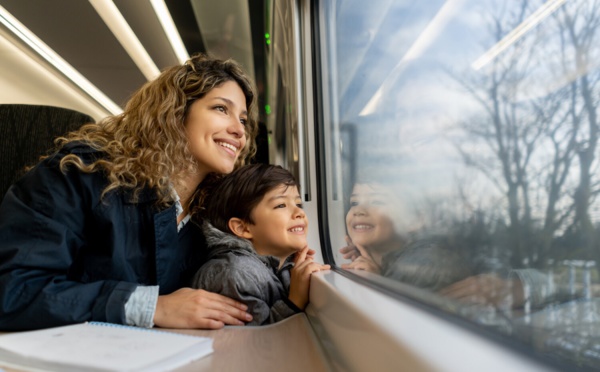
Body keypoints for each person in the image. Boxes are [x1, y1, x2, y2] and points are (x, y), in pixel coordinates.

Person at [0, 53, 258, 331]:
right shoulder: (81, 174)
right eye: (221, 109)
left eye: (243, 120)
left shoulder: (211, 216)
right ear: (174, 113)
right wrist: (153, 307)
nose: (238, 131)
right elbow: (14, 290)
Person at [192, 163, 330, 325]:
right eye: (281, 205)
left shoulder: (279, 266)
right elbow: (254, 342)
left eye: (298, 204)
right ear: (242, 228)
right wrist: (294, 301)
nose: (299, 212)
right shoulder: (235, 274)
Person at [341, 182, 470, 291]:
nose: (358, 210)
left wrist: (378, 284)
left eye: (376, 201)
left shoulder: (423, 266)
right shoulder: (386, 263)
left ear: (415, 218)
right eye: (354, 203)